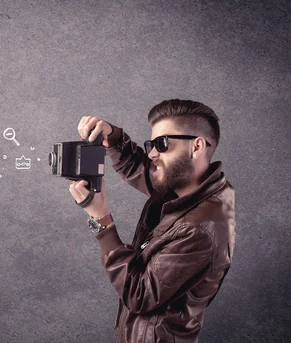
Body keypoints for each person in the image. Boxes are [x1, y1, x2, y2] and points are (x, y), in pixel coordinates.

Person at [69, 99, 236, 342]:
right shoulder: (192, 187)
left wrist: (101, 220)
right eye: (152, 143)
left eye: (163, 143)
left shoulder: (201, 229)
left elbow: (140, 294)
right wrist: (113, 138)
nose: (152, 153)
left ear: (197, 146)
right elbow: (147, 172)